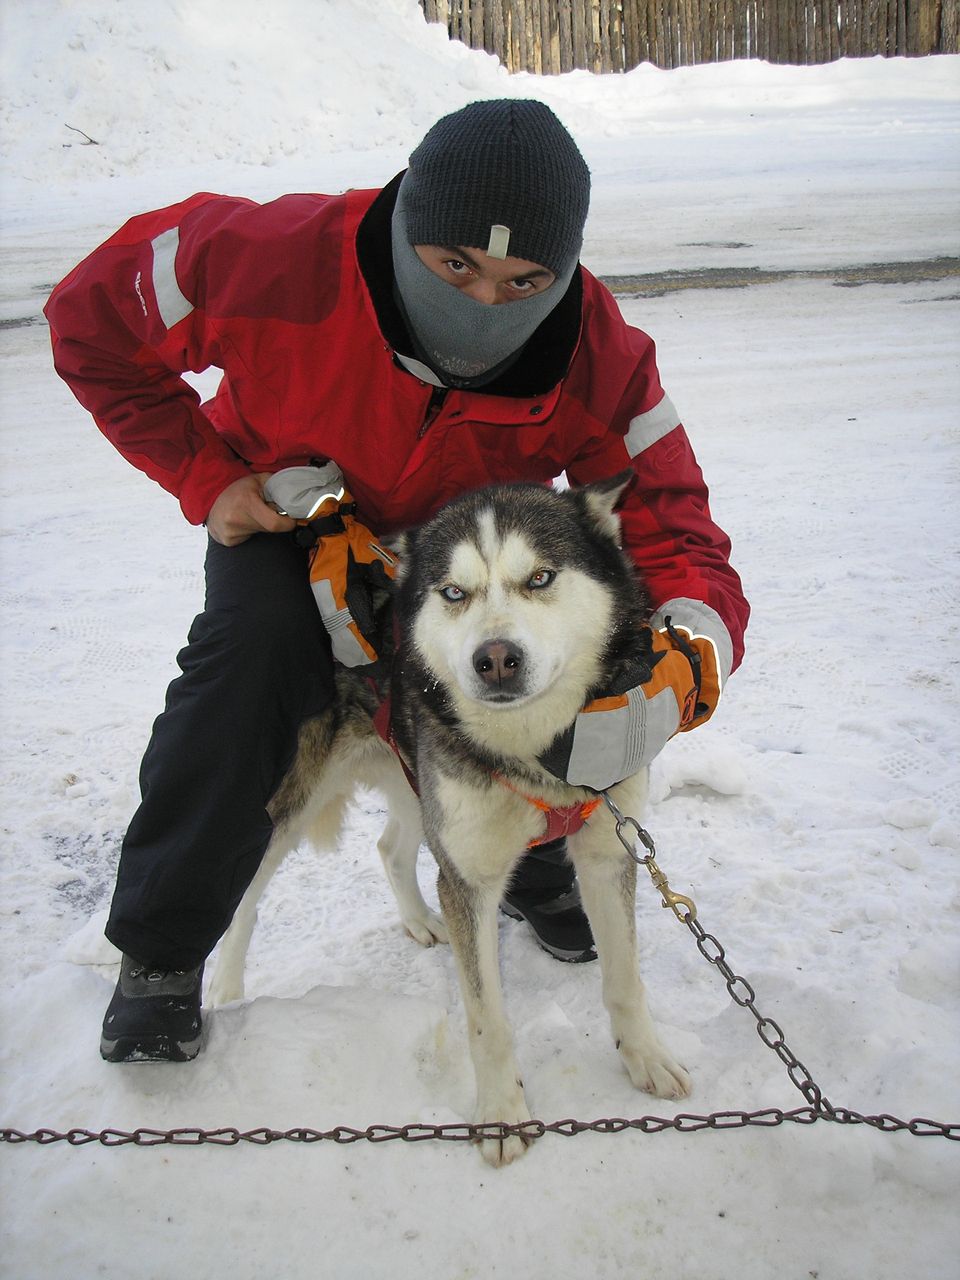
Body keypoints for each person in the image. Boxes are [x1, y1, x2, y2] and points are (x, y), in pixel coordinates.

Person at [45, 99, 749, 1063]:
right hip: (294, 521)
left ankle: (537, 859)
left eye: (524, 279)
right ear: (410, 217)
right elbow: (89, 320)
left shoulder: (597, 350)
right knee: (250, 669)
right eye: (455, 263)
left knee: (551, 670)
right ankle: (161, 954)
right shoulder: (268, 255)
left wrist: (691, 656)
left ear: (564, 275)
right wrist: (208, 479)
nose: (486, 302)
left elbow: (673, 520)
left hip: (457, 553)